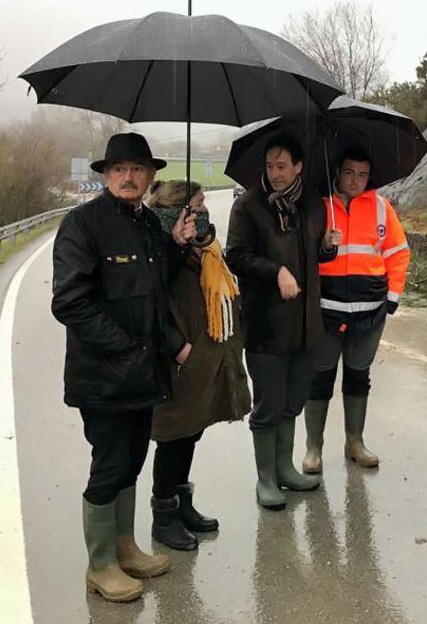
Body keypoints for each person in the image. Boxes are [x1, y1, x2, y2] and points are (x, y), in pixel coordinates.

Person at [51, 132, 196, 602]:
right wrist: (128, 348)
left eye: (137, 169)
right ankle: (101, 565)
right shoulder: (82, 225)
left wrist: (175, 245)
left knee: (133, 461)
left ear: (150, 176)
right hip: (104, 375)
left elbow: (155, 287)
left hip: (143, 374)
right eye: (119, 169)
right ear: (106, 176)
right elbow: (70, 302)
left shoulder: (149, 223)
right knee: (110, 464)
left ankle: (126, 548)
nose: (128, 176)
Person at [225, 137, 338, 510]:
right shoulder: (248, 206)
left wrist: (328, 247)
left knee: (293, 401)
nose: (274, 174)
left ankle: (285, 469)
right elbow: (236, 257)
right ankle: (266, 479)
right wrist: (276, 272)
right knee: (268, 405)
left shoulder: (313, 204)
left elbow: (314, 256)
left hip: (305, 324)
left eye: (282, 166)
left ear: (299, 167)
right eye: (270, 166)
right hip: (266, 324)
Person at [144, 180, 251, 550]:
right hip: (179, 360)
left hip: (201, 355)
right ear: (180, 210)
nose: (205, 210)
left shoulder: (200, 247)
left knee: (192, 430)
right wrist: (179, 348)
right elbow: (152, 303)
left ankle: (182, 503)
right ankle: (164, 516)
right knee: (173, 436)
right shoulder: (161, 245)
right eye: (199, 204)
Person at [301, 147, 411, 474]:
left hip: (369, 312)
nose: (355, 180)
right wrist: (325, 245)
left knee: (358, 376)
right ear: (338, 170)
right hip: (326, 311)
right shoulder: (318, 206)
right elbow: (299, 251)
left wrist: (393, 293)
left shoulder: (381, 207)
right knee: (320, 377)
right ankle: (313, 448)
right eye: (349, 172)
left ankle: (355, 442)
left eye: (362, 174)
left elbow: (398, 253)